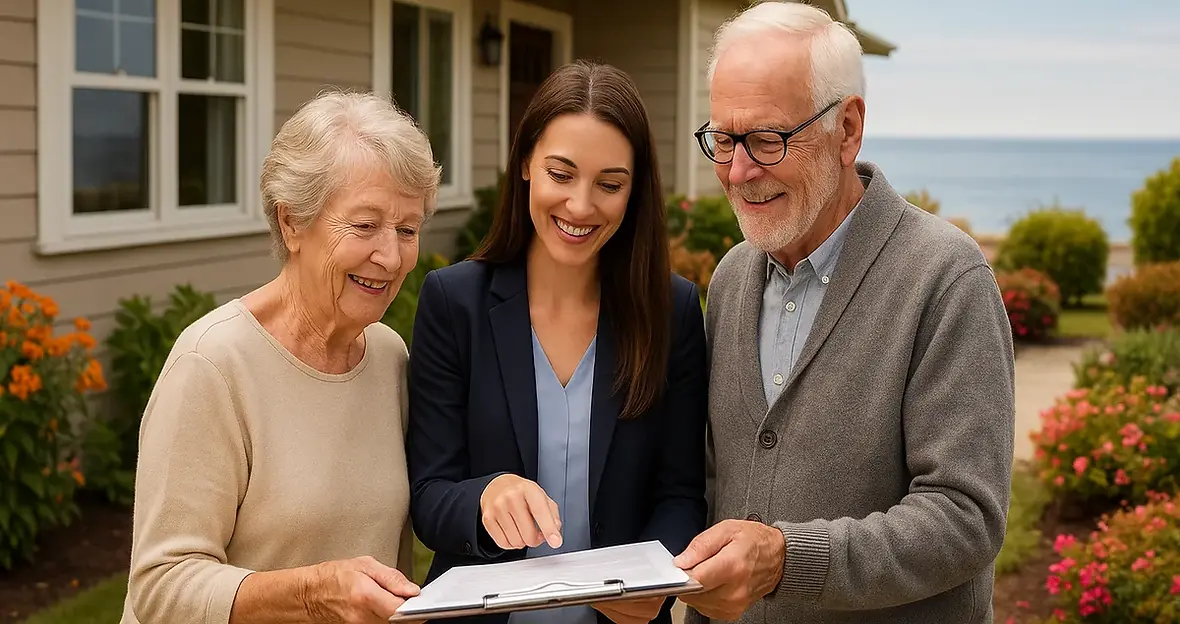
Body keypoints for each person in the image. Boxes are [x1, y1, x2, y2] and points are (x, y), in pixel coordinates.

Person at [673, 3, 1015, 623]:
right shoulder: (731, 277)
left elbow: (965, 517)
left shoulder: (945, 277)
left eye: (768, 140)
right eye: (723, 140)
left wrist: (787, 560)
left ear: (848, 129)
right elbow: (714, 486)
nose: (739, 171)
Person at [406, 60, 709, 624]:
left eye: (609, 185)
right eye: (561, 174)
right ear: (526, 163)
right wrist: (484, 498)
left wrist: (657, 580)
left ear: (634, 191)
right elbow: (428, 494)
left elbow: (681, 495)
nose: (581, 205)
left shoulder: (674, 312)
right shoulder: (453, 302)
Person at [120, 90, 438, 624]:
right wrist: (314, 593)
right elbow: (162, 586)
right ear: (292, 223)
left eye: (407, 230)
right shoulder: (213, 363)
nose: (390, 256)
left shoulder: (388, 357)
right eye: (364, 226)